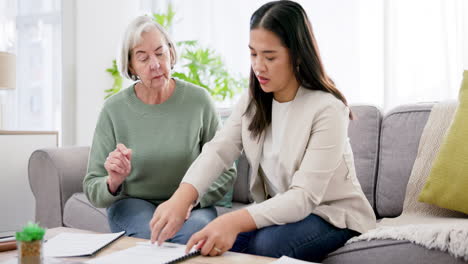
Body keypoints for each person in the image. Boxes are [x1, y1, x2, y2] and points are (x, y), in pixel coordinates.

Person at [148, 1, 376, 262]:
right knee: (210, 245)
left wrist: (233, 221)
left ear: (298, 55)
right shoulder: (253, 100)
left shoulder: (328, 109)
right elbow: (219, 150)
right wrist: (182, 197)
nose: (258, 66)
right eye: (253, 54)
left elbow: (303, 197)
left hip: (332, 213)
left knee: (267, 245)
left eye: (269, 57)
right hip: (283, 210)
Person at [82, 15, 236, 244]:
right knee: (153, 240)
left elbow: (226, 171)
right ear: (131, 65)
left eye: (160, 53)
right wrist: (113, 181)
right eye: (143, 58)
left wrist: (187, 201)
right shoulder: (114, 109)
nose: (154, 64)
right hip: (132, 203)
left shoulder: (198, 101)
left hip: (191, 205)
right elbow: (92, 185)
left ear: (171, 54)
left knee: (189, 239)